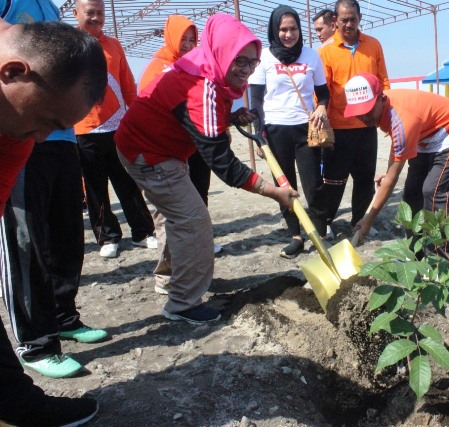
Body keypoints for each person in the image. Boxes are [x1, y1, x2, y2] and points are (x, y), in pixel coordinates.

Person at [115, 14, 298, 325]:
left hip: (160, 148)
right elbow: (223, 164)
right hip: (148, 153)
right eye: (239, 61)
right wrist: (274, 193)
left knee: (180, 217)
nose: (247, 69)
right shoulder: (201, 84)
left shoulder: (206, 66)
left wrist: (231, 117)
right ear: (221, 53)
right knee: (194, 221)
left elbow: (192, 115)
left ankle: (169, 279)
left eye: (253, 62)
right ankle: (183, 303)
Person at [0, 18, 107, 426]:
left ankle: (13, 404)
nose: (43, 138)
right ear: (12, 73)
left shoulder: (17, 135)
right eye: (47, 121)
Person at [345, 73, 449, 260]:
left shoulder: (402, 120)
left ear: (381, 99)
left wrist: (367, 220)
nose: (363, 117)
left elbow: (393, 176)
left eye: (368, 110)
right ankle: (415, 254)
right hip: (424, 135)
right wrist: (388, 173)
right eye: (358, 112)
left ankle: (439, 260)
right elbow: (395, 159)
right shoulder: (389, 113)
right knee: (411, 195)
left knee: (433, 192)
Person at [73, 0, 156, 259]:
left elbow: (127, 84)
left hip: (118, 126)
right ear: (77, 14)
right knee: (95, 187)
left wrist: (136, 117)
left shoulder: (114, 45)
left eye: (100, 13)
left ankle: (143, 232)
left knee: (127, 180)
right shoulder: (69, 45)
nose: (96, 17)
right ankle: (107, 237)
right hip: (84, 129)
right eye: (90, 13)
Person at [249, 5, 329, 259]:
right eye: (283, 29)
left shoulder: (311, 55)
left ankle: (319, 233)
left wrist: (322, 107)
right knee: (285, 186)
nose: (288, 34)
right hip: (275, 130)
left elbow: (324, 93)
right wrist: (259, 131)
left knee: (313, 185)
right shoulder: (263, 57)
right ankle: (296, 236)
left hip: (306, 129)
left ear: (299, 30)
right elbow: (256, 101)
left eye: (293, 28)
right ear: (275, 30)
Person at [319, 0, 390, 239]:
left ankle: (360, 220)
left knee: (364, 177)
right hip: (339, 126)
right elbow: (323, 91)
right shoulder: (326, 50)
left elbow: (383, 82)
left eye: (353, 19)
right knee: (333, 179)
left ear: (360, 18)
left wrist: (383, 116)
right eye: (343, 20)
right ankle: (326, 221)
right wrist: (325, 123)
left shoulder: (374, 45)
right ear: (335, 21)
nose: (348, 24)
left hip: (367, 126)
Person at [139, 15, 213, 207]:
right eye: (183, 39)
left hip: (197, 139)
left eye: (191, 40)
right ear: (172, 37)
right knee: (177, 195)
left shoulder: (197, 65)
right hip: (171, 143)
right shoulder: (157, 67)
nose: (188, 45)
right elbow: (146, 107)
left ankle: (200, 232)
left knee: (200, 188)